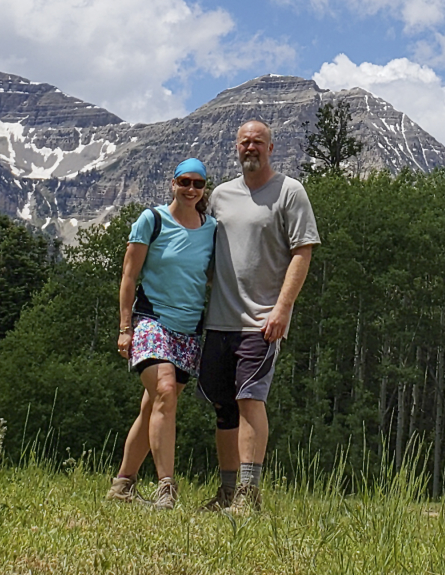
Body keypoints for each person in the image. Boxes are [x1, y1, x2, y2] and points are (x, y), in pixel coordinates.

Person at [198, 119, 320, 514]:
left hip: (261, 320)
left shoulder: (289, 191)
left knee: (250, 399)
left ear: (272, 147)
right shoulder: (220, 195)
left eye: (257, 142)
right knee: (223, 406)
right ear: (236, 148)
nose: (250, 148)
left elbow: (303, 251)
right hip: (220, 320)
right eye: (244, 142)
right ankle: (228, 492)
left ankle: (250, 495)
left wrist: (283, 309)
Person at [107, 157, 216, 510]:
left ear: (204, 190)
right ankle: (166, 487)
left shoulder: (211, 228)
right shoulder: (151, 221)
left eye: (198, 184)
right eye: (184, 182)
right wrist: (125, 328)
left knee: (155, 404)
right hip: (151, 321)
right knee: (166, 391)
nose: (190, 189)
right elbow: (128, 276)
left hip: (188, 331)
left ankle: (123, 484)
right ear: (172, 183)